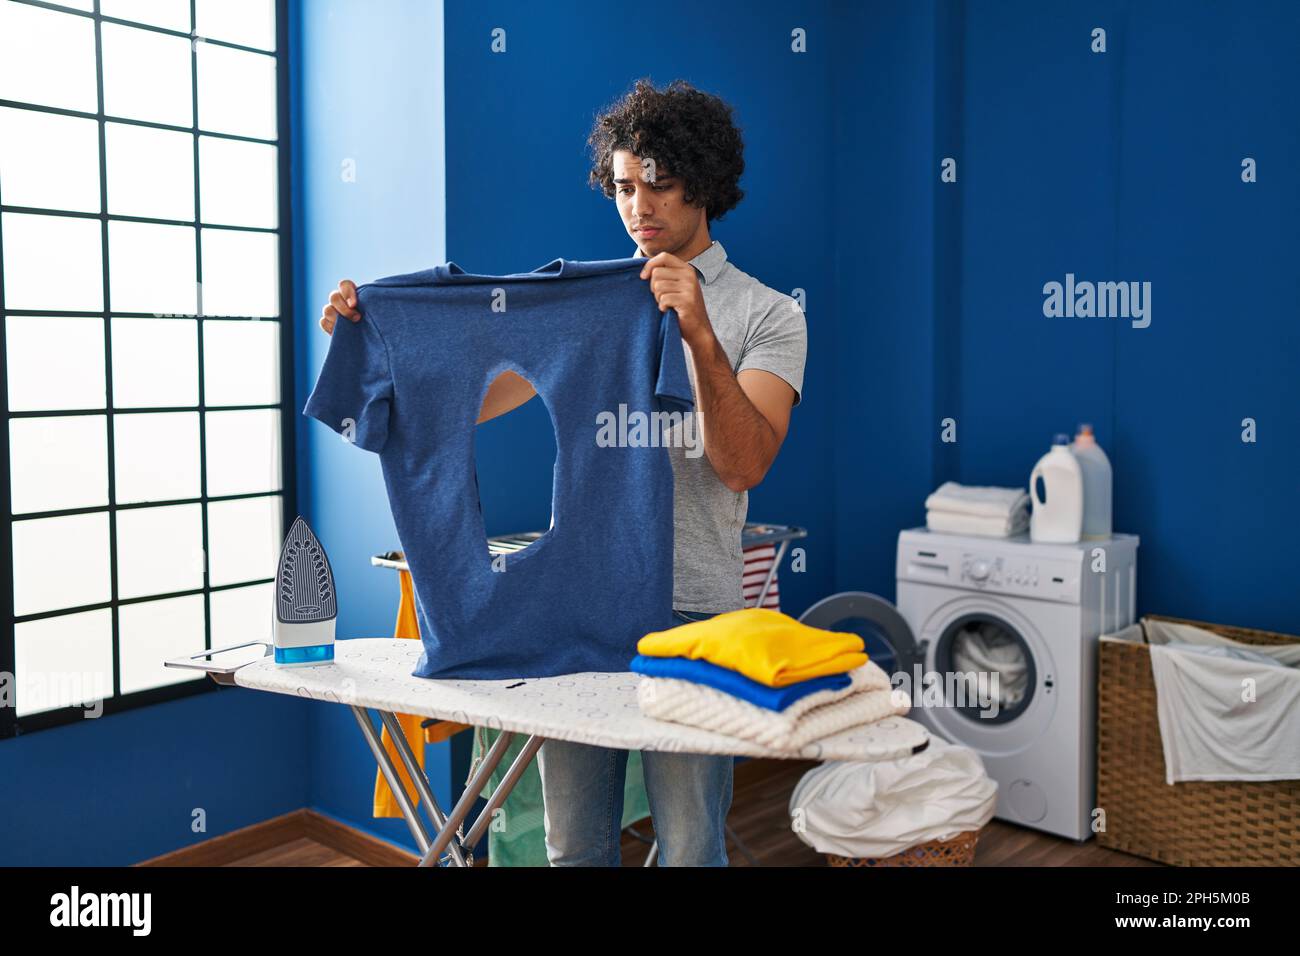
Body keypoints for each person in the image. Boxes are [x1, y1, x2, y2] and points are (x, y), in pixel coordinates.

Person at [318, 78, 806, 866]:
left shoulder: (771, 316)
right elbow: (470, 400)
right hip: (578, 608)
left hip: (695, 619)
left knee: (688, 847)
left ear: (706, 184)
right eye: (622, 186)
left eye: (659, 183)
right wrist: (377, 336)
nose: (637, 206)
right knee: (572, 844)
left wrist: (701, 336)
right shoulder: (594, 310)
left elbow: (743, 461)